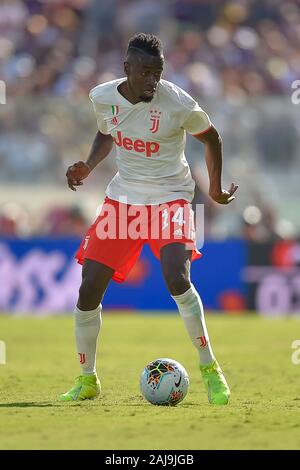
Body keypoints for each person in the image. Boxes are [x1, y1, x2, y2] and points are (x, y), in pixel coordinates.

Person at [60, 33, 238, 405]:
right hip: (123, 198)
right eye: (144, 73)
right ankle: (87, 379)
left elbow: (212, 138)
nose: (152, 81)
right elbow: (106, 132)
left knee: (177, 278)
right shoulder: (102, 97)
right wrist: (89, 166)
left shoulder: (178, 103)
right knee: (88, 286)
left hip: (171, 198)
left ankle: (210, 370)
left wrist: (216, 189)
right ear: (127, 69)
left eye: (157, 73)